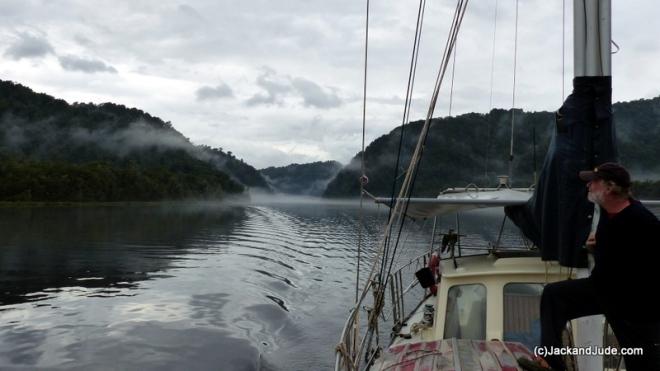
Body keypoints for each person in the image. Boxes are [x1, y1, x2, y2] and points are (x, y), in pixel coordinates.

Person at [524, 163, 660, 371]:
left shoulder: (641, 220)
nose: (588, 185)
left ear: (609, 187)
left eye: (594, 181)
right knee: (554, 296)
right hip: (603, 288)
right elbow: (613, 255)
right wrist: (593, 248)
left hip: (633, 303)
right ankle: (551, 363)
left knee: (642, 362)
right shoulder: (607, 213)